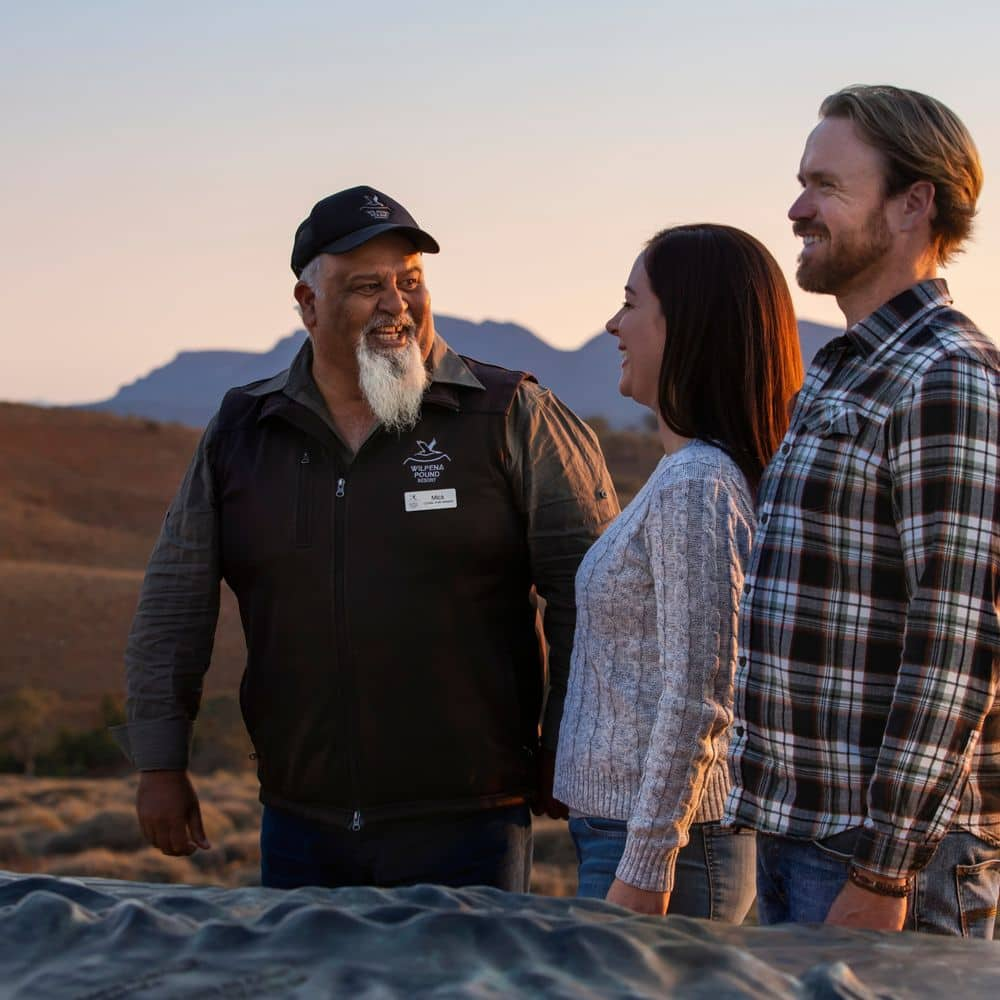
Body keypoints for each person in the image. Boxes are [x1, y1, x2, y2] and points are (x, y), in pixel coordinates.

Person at [113, 185, 619, 892]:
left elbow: (593, 595)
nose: (397, 304)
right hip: (299, 824)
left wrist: (569, 745)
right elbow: (175, 601)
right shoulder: (243, 431)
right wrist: (161, 764)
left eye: (411, 280)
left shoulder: (510, 413)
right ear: (308, 304)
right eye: (367, 286)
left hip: (470, 819)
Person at [725, 85, 1000, 936]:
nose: (797, 208)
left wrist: (886, 870)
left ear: (915, 203)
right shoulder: (843, 371)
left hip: (884, 859)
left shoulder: (945, 376)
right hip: (802, 834)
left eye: (826, 186)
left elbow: (957, 644)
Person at [552, 224, 804, 917]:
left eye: (631, 303)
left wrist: (647, 860)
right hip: (638, 837)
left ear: (684, 325)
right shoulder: (689, 474)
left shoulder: (698, 481)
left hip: (665, 851)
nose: (613, 324)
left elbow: (701, 691)